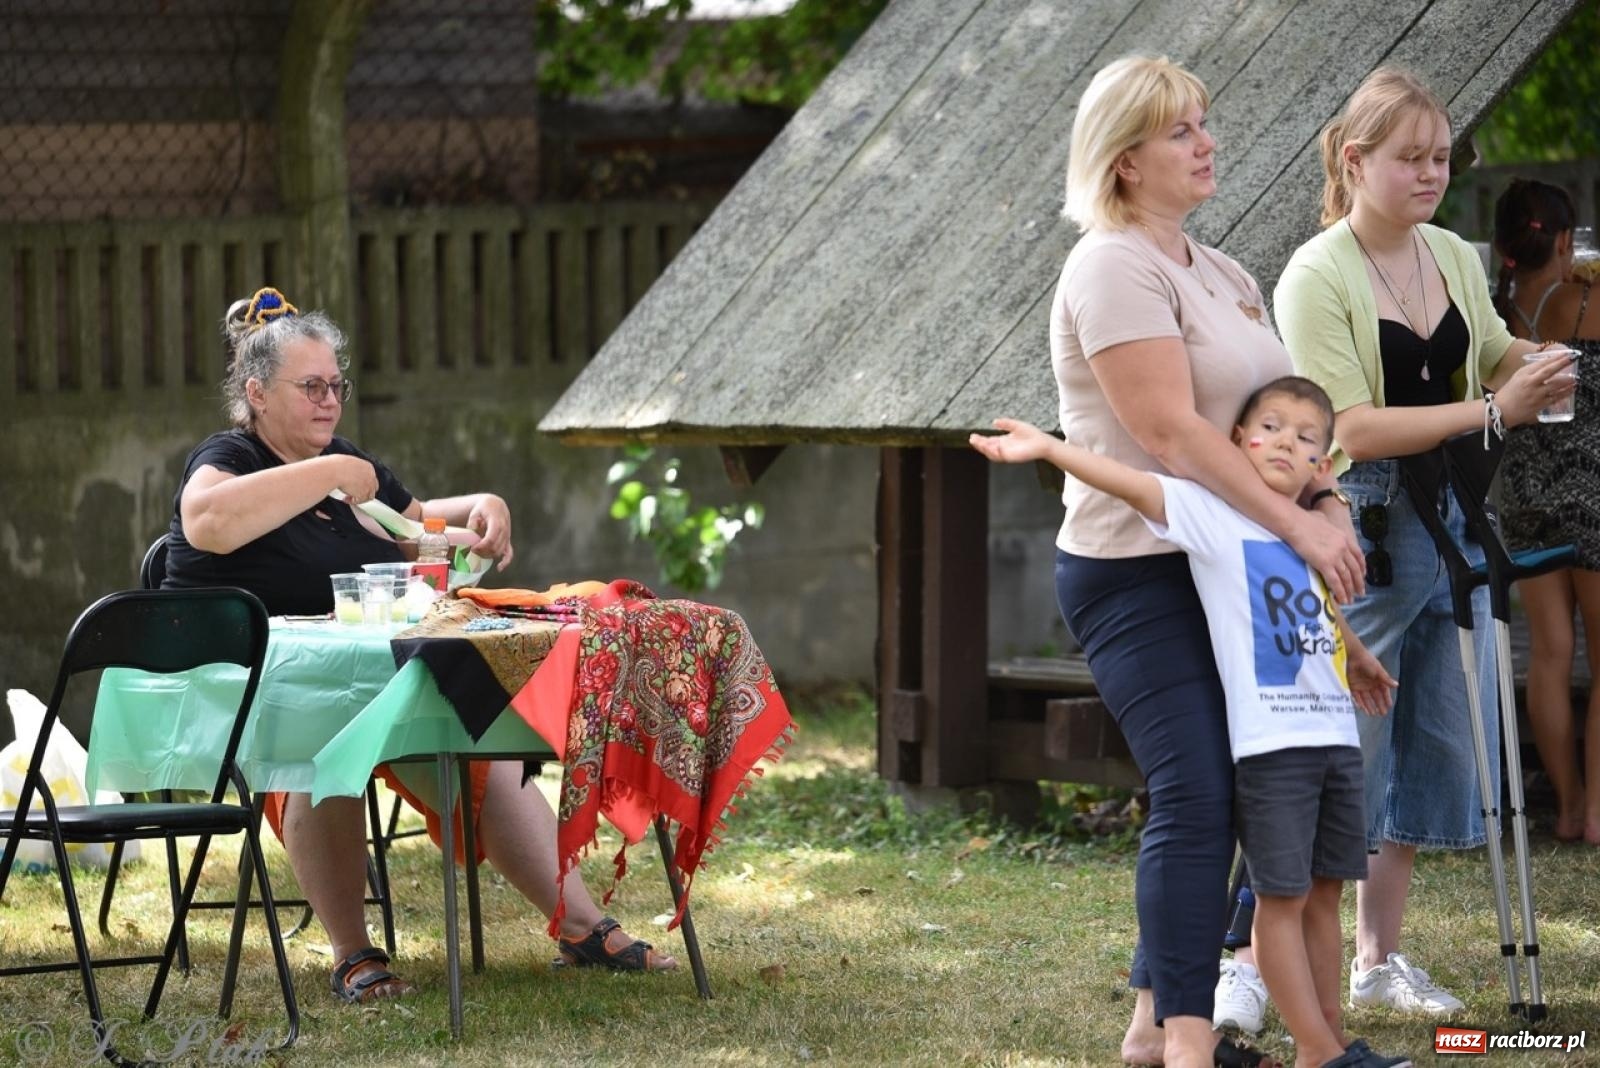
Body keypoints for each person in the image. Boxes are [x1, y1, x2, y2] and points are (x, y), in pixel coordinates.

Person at [163, 287, 677, 1003]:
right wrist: (333, 474)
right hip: (260, 693)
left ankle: (581, 925)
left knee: (476, 735)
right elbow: (206, 525)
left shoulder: (346, 464)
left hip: (374, 669)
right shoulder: (230, 457)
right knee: (324, 744)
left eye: (336, 385)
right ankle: (353, 954)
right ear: (257, 392)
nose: (329, 401)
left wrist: (480, 507)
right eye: (310, 387)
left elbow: (416, 526)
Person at [1039, 54, 1368, 1068]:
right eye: (1180, 130)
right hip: (1132, 570)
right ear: (1125, 160)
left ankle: (1149, 1026)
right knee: (1195, 790)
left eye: (1202, 122)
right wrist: (1302, 526)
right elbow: (1175, 434)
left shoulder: (1219, 271)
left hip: (1233, 570)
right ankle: (1188, 1037)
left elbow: (1274, 423)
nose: (1205, 142)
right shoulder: (1108, 264)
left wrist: (1325, 502)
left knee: (1245, 777)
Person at [974, 376, 1408, 1068]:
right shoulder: (1212, 514)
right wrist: (1052, 451)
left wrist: (1353, 653)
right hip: (1273, 751)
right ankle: (1317, 1050)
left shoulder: (1312, 531)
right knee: (1284, 899)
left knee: (1327, 895)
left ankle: (1333, 1042)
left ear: (1321, 466)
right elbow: (1133, 483)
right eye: (1269, 427)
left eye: (1304, 439)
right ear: (1236, 440)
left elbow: (1313, 605)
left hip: (1333, 740)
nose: (1283, 444)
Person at [1274, 67, 1572, 1015]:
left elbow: (1489, 350)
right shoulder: (1318, 271)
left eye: (1442, 156)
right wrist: (1493, 409)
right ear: (1355, 161)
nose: (1432, 173)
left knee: (1423, 739)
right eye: (1410, 158)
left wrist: (1550, 360)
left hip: (1444, 512)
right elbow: (1351, 429)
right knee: (1340, 744)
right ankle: (1255, 958)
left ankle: (1376, 960)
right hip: (1360, 523)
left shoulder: (1446, 248)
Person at [1491, 178, 1600, 844]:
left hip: (1524, 496)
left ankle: (1564, 805)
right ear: (1563, 241)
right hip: (1593, 493)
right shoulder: (1588, 299)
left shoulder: (1494, 312)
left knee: (1552, 656)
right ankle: (1596, 815)